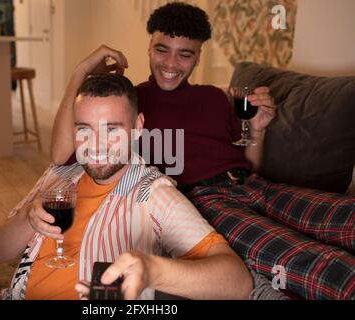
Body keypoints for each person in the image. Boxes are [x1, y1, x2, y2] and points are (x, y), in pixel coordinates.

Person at [48, 2, 355, 299]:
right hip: (206, 204)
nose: (170, 64)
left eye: (184, 54)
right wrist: (80, 72)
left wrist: (257, 129)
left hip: (257, 186)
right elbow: (61, 156)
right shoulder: (127, 104)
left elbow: (251, 164)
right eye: (161, 49)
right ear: (149, 47)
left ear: (197, 58)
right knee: (323, 266)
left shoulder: (214, 98)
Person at [0, 73, 253, 300]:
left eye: (112, 131)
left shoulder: (153, 194)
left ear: (138, 128)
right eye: (84, 130)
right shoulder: (60, 176)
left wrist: (154, 271)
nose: (95, 145)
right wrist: (28, 218)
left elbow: (238, 283)